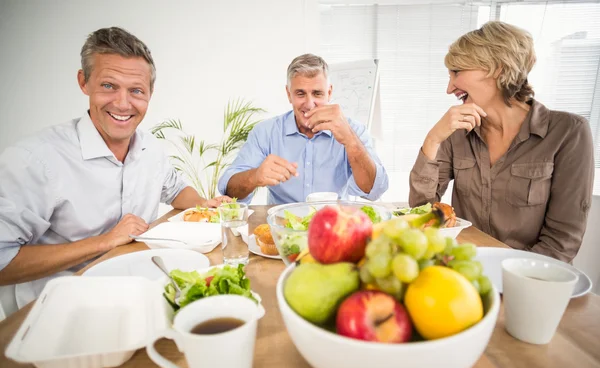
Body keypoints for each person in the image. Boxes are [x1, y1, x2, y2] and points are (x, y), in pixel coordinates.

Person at [0, 27, 230, 310]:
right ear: (83, 82)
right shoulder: (34, 159)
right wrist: (104, 242)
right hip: (59, 313)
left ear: (150, 93)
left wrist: (205, 206)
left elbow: (175, 188)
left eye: (136, 90)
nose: (123, 104)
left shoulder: (151, 149)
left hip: (139, 297)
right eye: (109, 86)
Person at [409, 21, 594, 263]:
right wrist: (433, 139)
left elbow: (562, 241)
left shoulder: (568, 132)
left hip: (531, 278)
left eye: (457, 72)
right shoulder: (458, 131)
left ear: (497, 68)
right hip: (466, 272)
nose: (449, 87)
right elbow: (422, 213)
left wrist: (503, 275)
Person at [218, 53, 389, 204]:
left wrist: (350, 141)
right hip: (283, 226)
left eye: (317, 93)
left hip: (336, 226)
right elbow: (228, 190)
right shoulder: (266, 132)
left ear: (329, 93)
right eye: (300, 93)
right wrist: (255, 177)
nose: (309, 104)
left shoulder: (354, 131)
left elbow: (375, 191)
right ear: (288, 94)